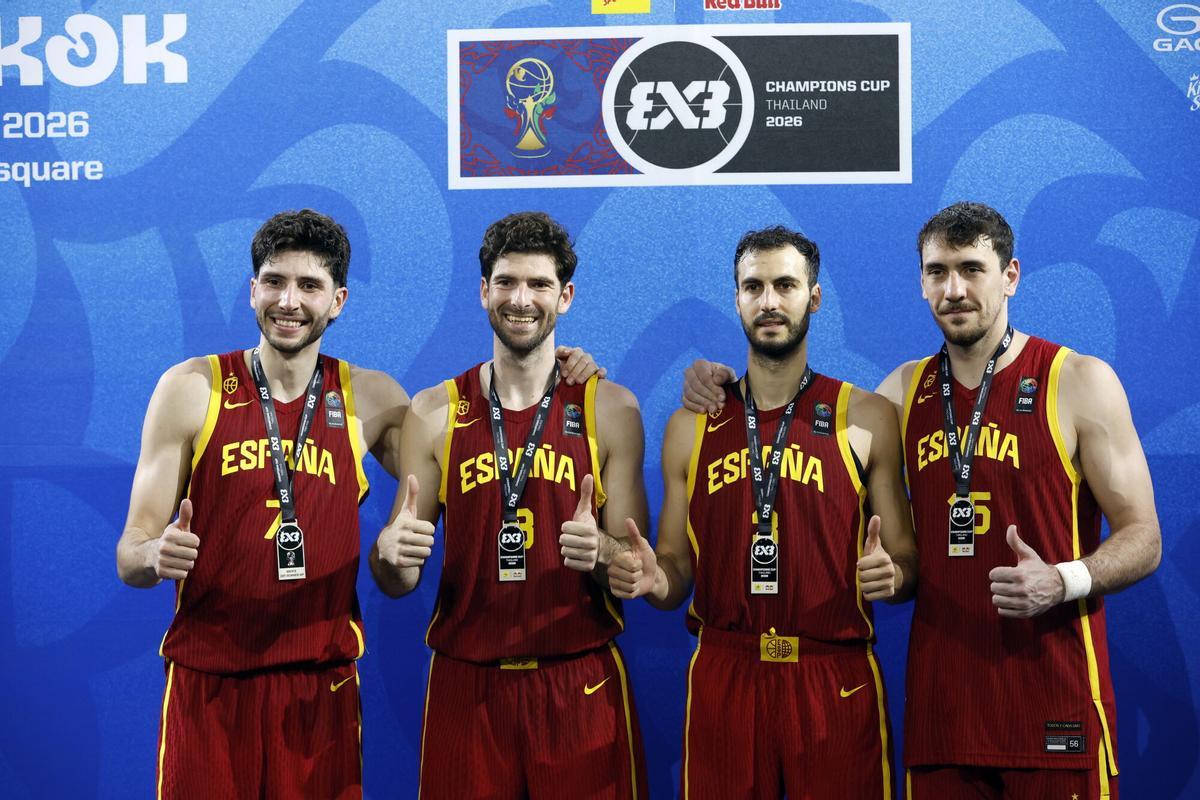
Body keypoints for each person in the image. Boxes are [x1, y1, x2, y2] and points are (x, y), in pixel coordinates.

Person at [115, 209, 601, 799]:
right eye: (274, 281)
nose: (289, 301)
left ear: (338, 300)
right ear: (252, 291)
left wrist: (559, 371)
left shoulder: (372, 400)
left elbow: (486, 472)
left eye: (309, 286)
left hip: (320, 688)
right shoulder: (192, 389)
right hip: (207, 683)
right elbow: (131, 551)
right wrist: (154, 553)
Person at [684, 203, 1161, 800]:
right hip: (943, 719)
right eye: (937, 272)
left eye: (971, 269)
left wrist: (1063, 580)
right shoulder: (902, 394)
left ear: (1010, 275)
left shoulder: (1078, 381)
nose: (954, 289)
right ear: (921, 282)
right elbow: (796, 418)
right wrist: (716, 382)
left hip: (1053, 701)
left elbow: (1144, 537)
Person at [618, 225, 916, 799]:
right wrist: (657, 579)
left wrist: (896, 575)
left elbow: (905, 559)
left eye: (786, 284)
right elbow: (674, 566)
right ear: (737, 299)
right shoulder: (691, 426)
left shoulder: (867, 417)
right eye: (753, 287)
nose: (770, 301)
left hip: (835, 673)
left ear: (815, 296)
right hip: (725, 669)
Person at [370, 211, 649, 799]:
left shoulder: (611, 408)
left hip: (579, 681)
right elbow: (397, 579)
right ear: (483, 291)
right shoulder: (435, 411)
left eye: (540, 284)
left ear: (565, 297)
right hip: (465, 685)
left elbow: (635, 569)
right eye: (506, 282)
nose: (522, 300)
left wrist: (602, 550)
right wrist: (388, 555)